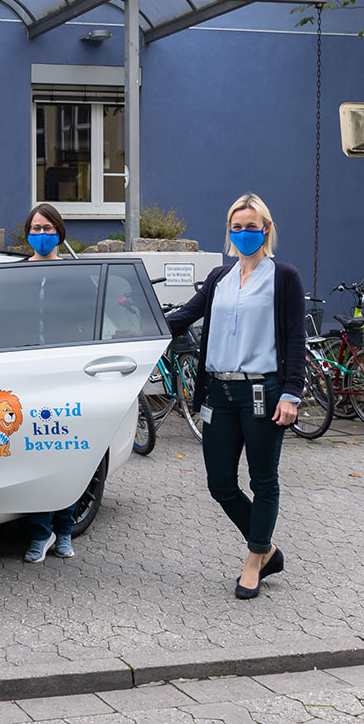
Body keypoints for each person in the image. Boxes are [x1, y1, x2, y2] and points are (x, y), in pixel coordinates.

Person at [166, 193, 301, 599]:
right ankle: (269, 549)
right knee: (220, 482)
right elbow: (184, 316)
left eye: (252, 226)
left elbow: (295, 339)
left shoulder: (284, 277)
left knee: (263, 480)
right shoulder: (218, 279)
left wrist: (292, 393)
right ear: (230, 231)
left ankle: (254, 556)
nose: (244, 233)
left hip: (263, 391)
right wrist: (136, 322)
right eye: (237, 227)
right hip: (219, 394)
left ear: (267, 229)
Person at [20, 203, 78, 562]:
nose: (41, 235)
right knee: (36, 459)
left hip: (66, 379)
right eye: (36, 229)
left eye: (47, 229)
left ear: (59, 232)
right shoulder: (14, 273)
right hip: (29, 380)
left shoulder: (73, 275)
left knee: (68, 457)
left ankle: (66, 530)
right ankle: (40, 533)